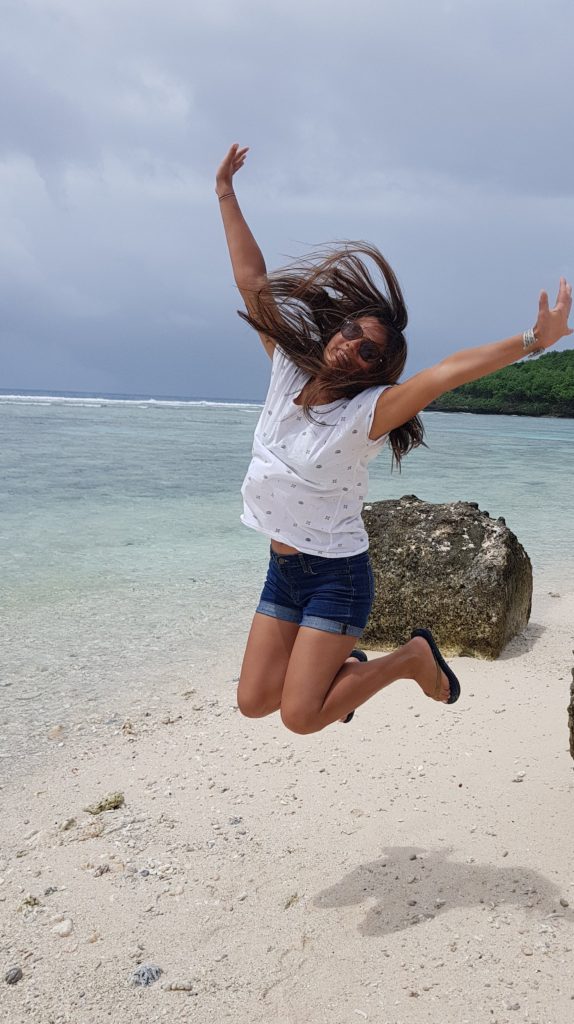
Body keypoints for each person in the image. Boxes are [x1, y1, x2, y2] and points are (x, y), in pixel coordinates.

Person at [216, 142, 572, 736]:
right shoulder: (287, 372)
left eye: (369, 348)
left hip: (337, 576)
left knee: (301, 717)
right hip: (282, 568)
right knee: (255, 702)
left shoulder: (368, 414)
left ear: (376, 368)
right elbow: (253, 283)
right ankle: (346, 669)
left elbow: (446, 373)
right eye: (351, 330)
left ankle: (409, 658)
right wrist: (225, 192)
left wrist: (533, 341)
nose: (351, 342)